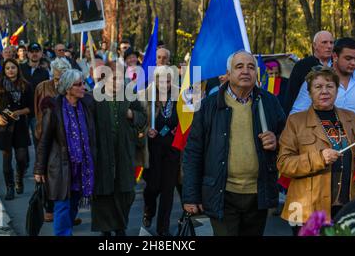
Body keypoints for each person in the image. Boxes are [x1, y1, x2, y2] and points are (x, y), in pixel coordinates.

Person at [182, 50, 286, 236]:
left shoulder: (269, 102)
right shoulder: (209, 106)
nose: (246, 71)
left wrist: (277, 141)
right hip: (222, 194)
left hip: (258, 195)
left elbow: (288, 140)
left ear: (256, 73)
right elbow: (193, 152)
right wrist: (191, 196)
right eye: (239, 67)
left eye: (251, 67)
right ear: (228, 74)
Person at [278, 67, 355, 235]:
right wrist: (319, 158)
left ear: (337, 90)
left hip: (345, 206)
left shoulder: (351, 117)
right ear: (309, 92)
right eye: (318, 87)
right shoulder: (296, 121)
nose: (324, 91)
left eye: (330, 86)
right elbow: (284, 163)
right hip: (307, 209)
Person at [34, 69, 96, 236]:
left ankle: (66, 230)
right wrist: (39, 169)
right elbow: (44, 140)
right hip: (61, 166)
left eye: (84, 83)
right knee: (62, 205)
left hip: (82, 166)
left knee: (74, 204)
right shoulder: (53, 108)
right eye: (79, 84)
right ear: (68, 88)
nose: (84, 87)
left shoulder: (87, 105)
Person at [90, 61, 147, 236]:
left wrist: (133, 115)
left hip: (124, 151)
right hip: (103, 153)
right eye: (115, 78)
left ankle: (120, 226)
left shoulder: (130, 95)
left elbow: (143, 118)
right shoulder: (95, 97)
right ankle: (105, 229)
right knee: (103, 192)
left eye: (121, 78)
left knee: (125, 192)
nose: (118, 82)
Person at [291, 38, 355, 127]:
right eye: (348, 58)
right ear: (335, 57)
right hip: (321, 139)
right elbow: (296, 115)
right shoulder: (315, 80)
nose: (353, 63)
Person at [141, 66, 179, 236]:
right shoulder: (146, 96)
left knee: (168, 190)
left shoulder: (179, 96)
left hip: (172, 148)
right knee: (153, 187)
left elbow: (189, 119)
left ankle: (162, 229)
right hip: (153, 148)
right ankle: (149, 209)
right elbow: (139, 120)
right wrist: (147, 129)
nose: (166, 84)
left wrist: (180, 129)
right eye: (162, 81)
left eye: (169, 81)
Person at [0, 59, 32, 200]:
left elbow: (30, 108)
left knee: (21, 158)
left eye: (13, 67)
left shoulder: (26, 86)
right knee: (6, 159)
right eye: (7, 68)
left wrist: (19, 112)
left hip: (20, 126)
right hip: (5, 126)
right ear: (4, 70)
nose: (10, 70)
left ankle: (19, 177)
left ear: (18, 69)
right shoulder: (0, 86)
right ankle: (10, 187)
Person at [283, 31, 334, 115]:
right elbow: (291, 94)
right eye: (324, 42)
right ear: (314, 45)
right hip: (304, 117)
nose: (329, 46)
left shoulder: (337, 65)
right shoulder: (302, 66)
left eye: (331, 43)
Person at [21, 43, 50, 148]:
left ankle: (39, 164)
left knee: (38, 141)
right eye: (32, 52)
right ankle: (23, 163)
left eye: (37, 51)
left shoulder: (44, 72)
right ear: (27, 54)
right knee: (21, 144)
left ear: (41, 53)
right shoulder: (20, 68)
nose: (34, 54)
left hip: (37, 112)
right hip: (22, 110)